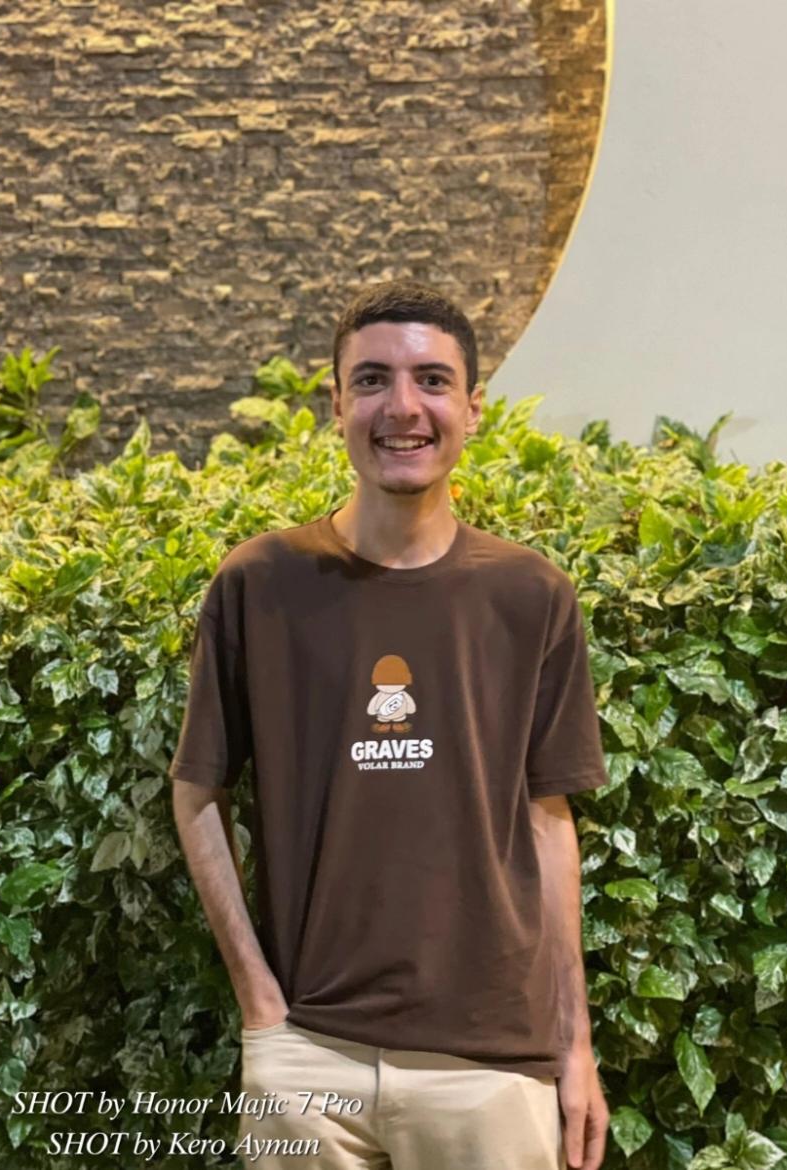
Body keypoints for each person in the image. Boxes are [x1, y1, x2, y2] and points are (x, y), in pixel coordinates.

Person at [170, 280, 610, 1170]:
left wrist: (574, 1046)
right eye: (372, 380)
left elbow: (548, 820)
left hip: (491, 1064)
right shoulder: (260, 585)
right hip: (311, 1056)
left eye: (432, 381)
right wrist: (261, 1010)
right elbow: (197, 794)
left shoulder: (530, 595)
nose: (402, 408)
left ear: (473, 409)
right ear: (336, 405)